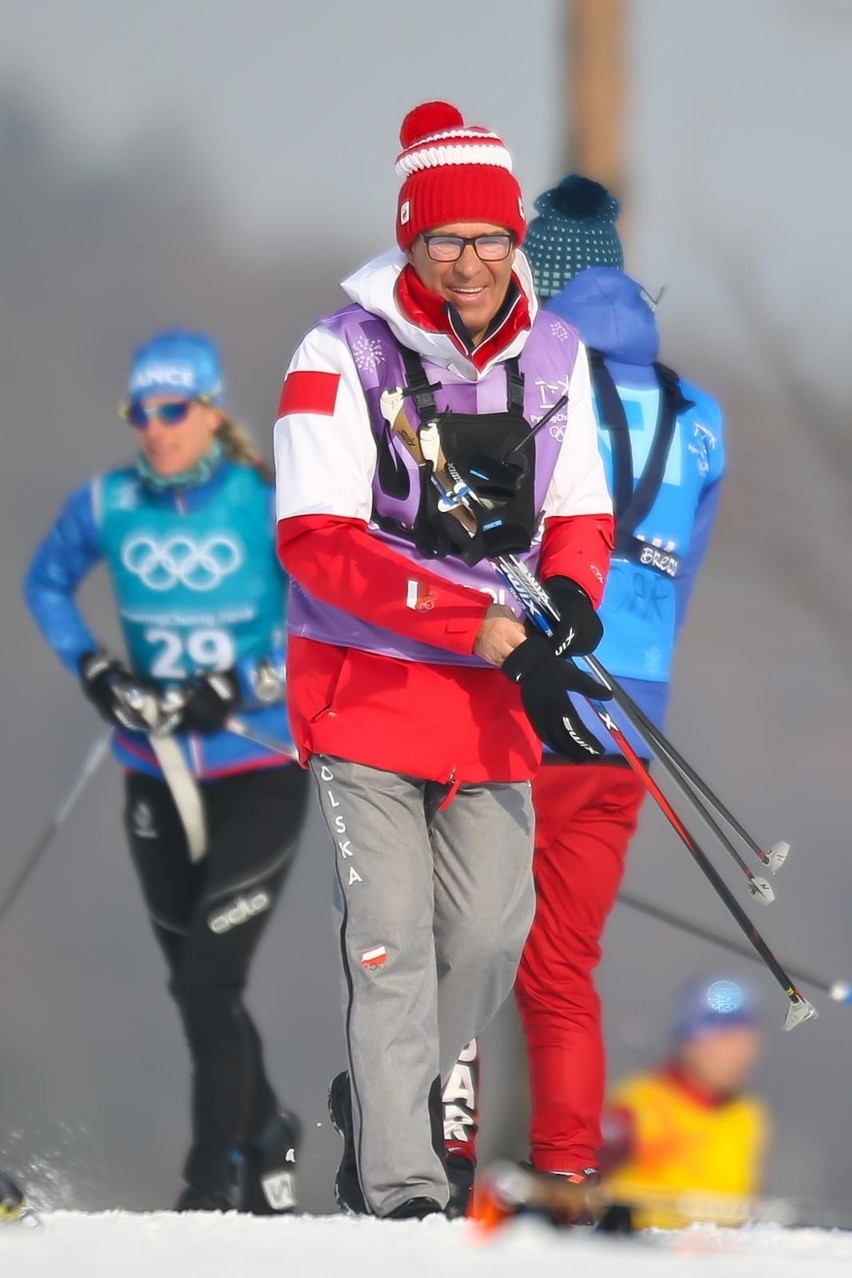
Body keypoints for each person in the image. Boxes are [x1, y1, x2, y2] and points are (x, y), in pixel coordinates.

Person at [273, 101, 614, 1219]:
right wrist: (469, 621)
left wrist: (569, 602)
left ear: (519, 243)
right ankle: (404, 1193)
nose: (470, 264)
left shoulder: (557, 355)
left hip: (492, 708)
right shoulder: (339, 352)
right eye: (445, 241)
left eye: (491, 240)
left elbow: (581, 510)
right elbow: (316, 541)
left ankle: (382, 1095)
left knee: (484, 936)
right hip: (363, 696)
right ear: (410, 242)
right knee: (392, 943)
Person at [23, 330, 310, 1214]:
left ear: (213, 411)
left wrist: (239, 682)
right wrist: (97, 670)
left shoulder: (263, 499)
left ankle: (208, 1181)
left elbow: (318, 613)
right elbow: (45, 584)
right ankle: (266, 1129)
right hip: (154, 769)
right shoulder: (109, 502)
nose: (155, 428)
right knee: (193, 985)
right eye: (140, 413)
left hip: (258, 766)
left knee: (209, 980)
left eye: (172, 410)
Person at [511, 175, 726, 1182]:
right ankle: (562, 1178)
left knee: (454, 943)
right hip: (635, 716)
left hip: (519, 701)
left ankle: (435, 1157)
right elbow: (682, 585)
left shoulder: (528, 379)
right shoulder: (701, 414)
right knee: (562, 968)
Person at [600, 976, 768, 1229]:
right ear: (690, 1043)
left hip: (721, 1264)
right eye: (726, 1039)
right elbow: (577, 1186)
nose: (743, 1054)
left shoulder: (746, 1115)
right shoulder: (637, 1106)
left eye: (746, 1040)